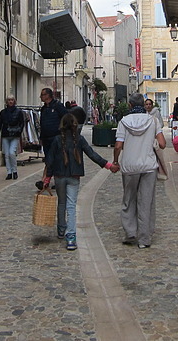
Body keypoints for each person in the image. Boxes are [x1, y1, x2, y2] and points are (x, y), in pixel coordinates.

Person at [43, 114, 119, 250]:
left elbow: (50, 161)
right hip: (74, 175)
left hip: (59, 175)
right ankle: (71, 237)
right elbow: (92, 155)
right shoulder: (79, 140)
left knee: (61, 203)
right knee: (71, 205)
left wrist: (47, 178)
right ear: (75, 125)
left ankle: (61, 229)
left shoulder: (56, 140)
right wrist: (109, 166)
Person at [114, 93, 165, 248]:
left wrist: (115, 161)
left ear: (130, 105)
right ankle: (144, 239)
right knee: (146, 201)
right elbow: (162, 144)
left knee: (129, 199)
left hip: (129, 166)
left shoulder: (124, 122)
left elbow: (118, 145)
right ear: (144, 105)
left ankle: (130, 232)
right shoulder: (153, 120)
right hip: (149, 166)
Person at [0, 95, 24, 180]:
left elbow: (22, 123)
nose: (10, 101)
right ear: (6, 102)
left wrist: (19, 132)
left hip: (15, 135)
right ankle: (9, 172)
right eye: (9, 100)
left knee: (11, 153)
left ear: (14, 101)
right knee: (6, 154)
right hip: (5, 134)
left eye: (12, 100)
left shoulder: (18, 112)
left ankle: (14, 171)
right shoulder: (3, 112)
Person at [39, 87, 68, 164]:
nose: (41, 97)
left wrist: (62, 132)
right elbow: (42, 123)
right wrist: (41, 137)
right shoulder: (43, 108)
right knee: (48, 159)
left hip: (56, 136)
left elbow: (66, 118)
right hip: (46, 138)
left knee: (57, 158)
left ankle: (58, 174)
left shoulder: (58, 105)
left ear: (48, 95)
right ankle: (49, 174)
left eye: (42, 95)